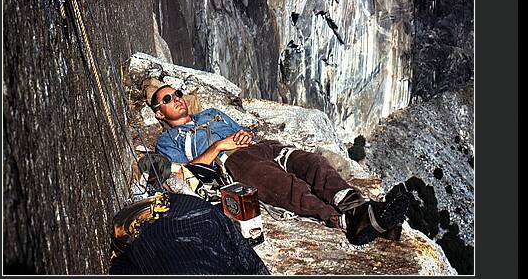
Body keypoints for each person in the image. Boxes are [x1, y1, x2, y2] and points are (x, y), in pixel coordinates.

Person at [150, 84, 411, 246]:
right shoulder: (167, 140)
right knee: (285, 185)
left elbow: (243, 131)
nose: (176, 98)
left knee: (313, 163)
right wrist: (218, 147)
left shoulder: (212, 114)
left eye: (177, 93)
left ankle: (359, 208)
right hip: (232, 162)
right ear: (160, 114)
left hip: (262, 146)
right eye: (167, 99)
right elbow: (184, 172)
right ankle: (347, 220)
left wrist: (244, 135)